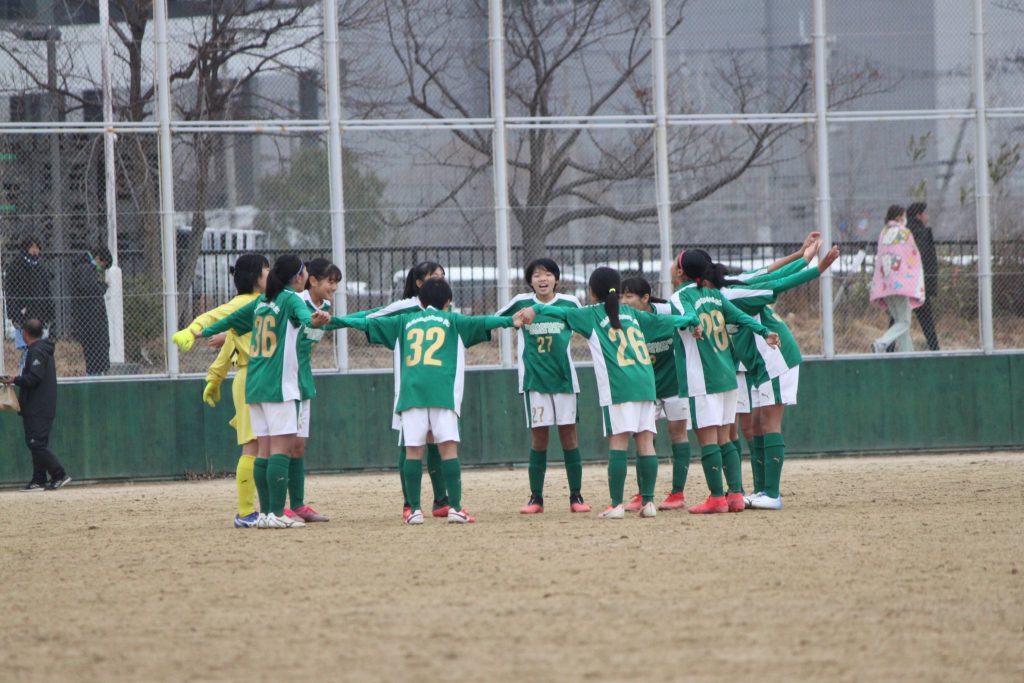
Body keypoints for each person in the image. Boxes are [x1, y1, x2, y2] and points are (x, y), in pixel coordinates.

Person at [332, 278, 521, 525]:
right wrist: (511, 320)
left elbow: (366, 323)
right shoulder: (452, 320)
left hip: (412, 393)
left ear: (420, 301)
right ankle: (454, 507)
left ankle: (414, 511)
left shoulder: (405, 320)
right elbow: (484, 321)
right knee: (448, 448)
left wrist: (334, 322)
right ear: (447, 302)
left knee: (413, 450)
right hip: (442, 392)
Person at [518, 267, 702, 519]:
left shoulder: (591, 315)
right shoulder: (633, 313)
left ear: (592, 292)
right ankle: (648, 502)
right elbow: (669, 321)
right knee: (645, 441)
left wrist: (535, 309)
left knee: (618, 442)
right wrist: (692, 320)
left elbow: (560, 312)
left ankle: (616, 504)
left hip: (619, 387)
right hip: (646, 384)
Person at [200, 255, 328, 529]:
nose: (305, 275)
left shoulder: (262, 302)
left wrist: (201, 331)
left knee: (264, 452)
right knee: (281, 450)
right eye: (303, 272)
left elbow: (231, 321)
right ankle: (276, 513)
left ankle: (266, 514)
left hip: (254, 385)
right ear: (297, 277)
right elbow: (307, 319)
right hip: (279, 385)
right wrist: (317, 319)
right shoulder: (291, 298)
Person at [669, 252, 780, 514]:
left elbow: (686, 315)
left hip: (702, 379)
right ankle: (736, 496)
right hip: (727, 375)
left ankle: (717, 498)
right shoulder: (716, 295)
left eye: (676, 262)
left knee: (708, 439)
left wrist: (692, 322)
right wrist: (765, 332)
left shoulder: (681, 296)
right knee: (725, 438)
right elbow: (740, 317)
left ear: (681, 272)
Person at [172, 254, 270, 528]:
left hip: (269, 378)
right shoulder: (241, 305)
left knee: (270, 447)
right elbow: (210, 317)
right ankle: (246, 512)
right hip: (251, 377)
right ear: (254, 276)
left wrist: (215, 378)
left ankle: (270, 508)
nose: (270, 274)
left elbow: (229, 343)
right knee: (253, 446)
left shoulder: (272, 302)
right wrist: (191, 332)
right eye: (265, 270)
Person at [351, 261, 450, 521]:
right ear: (418, 283)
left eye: (442, 276)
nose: (440, 281)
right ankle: (410, 503)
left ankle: (442, 499)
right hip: (409, 387)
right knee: (410, 442)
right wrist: (332, 322)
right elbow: (369, 318)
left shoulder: (446, 310)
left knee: (437, 439)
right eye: (433, 277)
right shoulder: (404, 308)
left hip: (437, 386)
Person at [495, 258, 591, 515]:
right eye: (537, 275)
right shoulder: (520, 302)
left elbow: (586, 325)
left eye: (548, 274)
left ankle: (576, 496)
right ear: (530, 281)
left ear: (556, 279)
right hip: (534, 381)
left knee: (569, 436)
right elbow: (495, 321)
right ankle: (536, 498)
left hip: (564, 379)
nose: (543, 279)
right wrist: (512, 321)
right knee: (539, 438)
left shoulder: (570, 303)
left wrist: (540, 313)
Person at [619, 276, 692, 511]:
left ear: (645, 298)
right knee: (644, 437)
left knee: (677, 433)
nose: (624, 301)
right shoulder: (623, 319)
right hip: (647, 388)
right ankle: (643, 493)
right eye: (621, 296)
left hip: (674, 384)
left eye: (629, 296)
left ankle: (678, 493)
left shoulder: (666, 311)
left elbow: (687, 321)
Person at [1, 319, 70, 492]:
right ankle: (39, 480)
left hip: (38, 406)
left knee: (36, 443)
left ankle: (59, 474)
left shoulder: (37, 351)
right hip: (38, 406)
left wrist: (14, 379)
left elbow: (34, 378)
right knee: (36, 443)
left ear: (25, 333)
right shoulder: (38, 350)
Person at [870, 205, 925, 353]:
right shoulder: (904, 233)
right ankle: (881, 343)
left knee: (900, 322)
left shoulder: (884, 233)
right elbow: (912, 256)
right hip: (901, 284)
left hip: (886, 284)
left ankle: (908, 355)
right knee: (905, 322)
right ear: (900, 217)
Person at [3, 236, 54, 369]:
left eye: (37, 247)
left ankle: (37, 376)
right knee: (27, 350)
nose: (35, 251)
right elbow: (11, 292)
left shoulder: (42, 268)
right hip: (23, 316)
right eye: (32, 247)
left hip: (40, 315)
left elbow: (47, 292)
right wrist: (16, 313)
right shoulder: (15, 267)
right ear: (25, 248)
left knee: (40, 350)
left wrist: (50, 313)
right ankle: (24, 374)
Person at [71, 246, 112, 375]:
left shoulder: (82, 267)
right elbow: (88, 289)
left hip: (87, 317)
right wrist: (103, 286)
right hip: (92, 318)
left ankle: (96, 373)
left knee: (93, 351)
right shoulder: (86, 269)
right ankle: (97, 374)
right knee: (97, 349)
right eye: (103, 265)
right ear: (98, 258)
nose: (101, 268)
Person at [905, 202, 939, 351]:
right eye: (924, 213)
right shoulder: (921, 234)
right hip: (919, 285)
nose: (927, 217)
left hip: (905, 284)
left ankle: (888, 347)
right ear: (918, 215)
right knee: (926, 320)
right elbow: (924, 259)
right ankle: (935, 349)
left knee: (899, 318)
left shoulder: (904, 233)